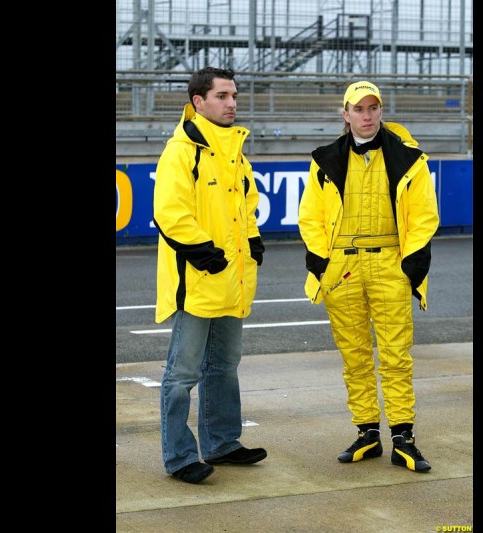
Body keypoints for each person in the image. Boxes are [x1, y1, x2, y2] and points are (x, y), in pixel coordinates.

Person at [297, 80, 439, 473]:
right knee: (354, 356)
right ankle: (366, 433)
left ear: (381, 111)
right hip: (342, 267)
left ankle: (403, 437)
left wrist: (410, 263)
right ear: (346, 114)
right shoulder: (324, 160)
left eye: (373, 107)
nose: (367, 115)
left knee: (396, 356)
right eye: (359, 108)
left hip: (390, 262)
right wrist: (320, 261)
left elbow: (425, 216)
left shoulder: (409, 157)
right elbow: (309, 216)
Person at [152, 66, 267, 484]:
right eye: (222, 96)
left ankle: (222, 443)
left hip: (231, 278)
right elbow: (169, 211)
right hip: (197, 279)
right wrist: (202, 251)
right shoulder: (180, 150)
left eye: (234, 95)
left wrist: (252, 239)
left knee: (224, 365)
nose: (232, 103)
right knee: (182, 373)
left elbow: (245, 206)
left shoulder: (234, 150)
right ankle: (179, 456)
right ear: (198, 102)